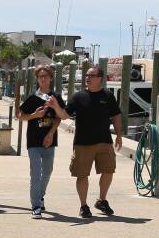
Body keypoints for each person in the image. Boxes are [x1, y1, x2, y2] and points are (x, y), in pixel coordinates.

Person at [46, 65, 122, 218]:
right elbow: (64, 115)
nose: (88, 78)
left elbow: (116, 116)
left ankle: (102, 200)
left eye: (92, 75)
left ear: (100, 78)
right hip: (83, 143)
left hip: (104, 141)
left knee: (108, 171)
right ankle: (83, 205)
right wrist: (55, 107)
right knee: (82, 175)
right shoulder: (77, 97)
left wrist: (119, 135)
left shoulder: (108, 96)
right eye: (87, 75)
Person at [18, 65, 64, 218]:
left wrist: (51, 133)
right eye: (40, 76)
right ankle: (36, 205)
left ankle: (40, 196)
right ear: (37, 79)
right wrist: (34, 116)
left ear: (51, 78)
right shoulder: (32, 97)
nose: (43, 79)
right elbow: (20, 115)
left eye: (46, 76)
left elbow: (60, 117)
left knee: (48, 171)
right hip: (33, 141)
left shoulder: (55, 97)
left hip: (50, 141)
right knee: (36, 174)